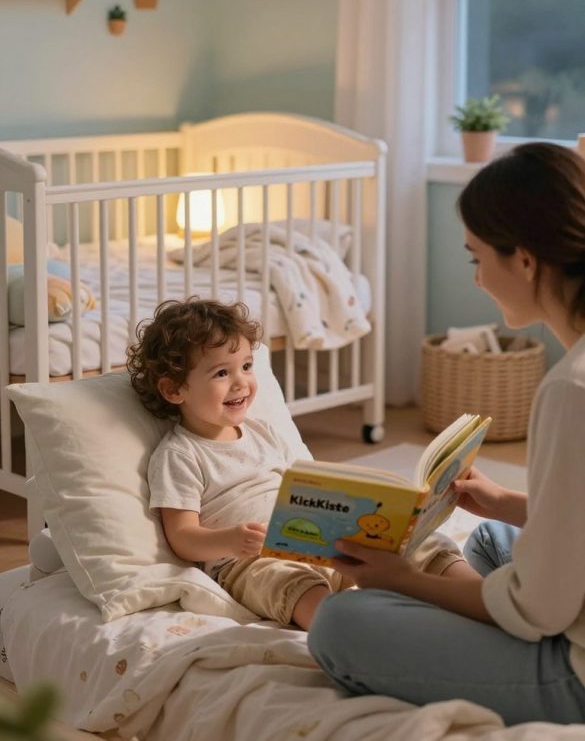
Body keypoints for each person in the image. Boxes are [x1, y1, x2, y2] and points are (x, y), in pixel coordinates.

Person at [308, 143, 585, 726]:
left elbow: (539, 608)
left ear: (527, 260)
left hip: (576, 673)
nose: (479, 279)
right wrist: (508, 502)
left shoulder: (571, 390)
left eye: (476, 259)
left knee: (339, 626)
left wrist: (403, 580)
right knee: (487, 539)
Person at [126, 296, 349, 629]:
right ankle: (342, 631)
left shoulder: (263, 433)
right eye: (221, 372)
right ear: (174, 390)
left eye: (246, 366)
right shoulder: (180, 455)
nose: (241, 382)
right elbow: (182, 536)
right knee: (296, 586)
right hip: (247, 563)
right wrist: (229, 540)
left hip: (307, 542)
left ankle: (425, 603)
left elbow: (301, 489)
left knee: (390, 554)